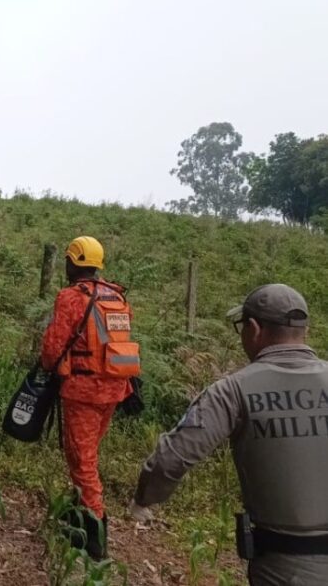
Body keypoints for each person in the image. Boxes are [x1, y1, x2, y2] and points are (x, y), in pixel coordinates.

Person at [130, 284, 328, 585]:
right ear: (305, 330)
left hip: (286, 566)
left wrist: (144, 500)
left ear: (253, 328)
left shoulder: (233, 390)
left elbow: (172, 458)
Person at [39, 236, 139, 559]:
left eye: (68, 260)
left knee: (83, 463)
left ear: (73, 262)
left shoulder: (71, 298)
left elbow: (54, 347)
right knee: (86, 457)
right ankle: (79, 517)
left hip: (83, 392)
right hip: (115, 389)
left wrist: (52, 370)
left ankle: (95, 540)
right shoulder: (117, 297)